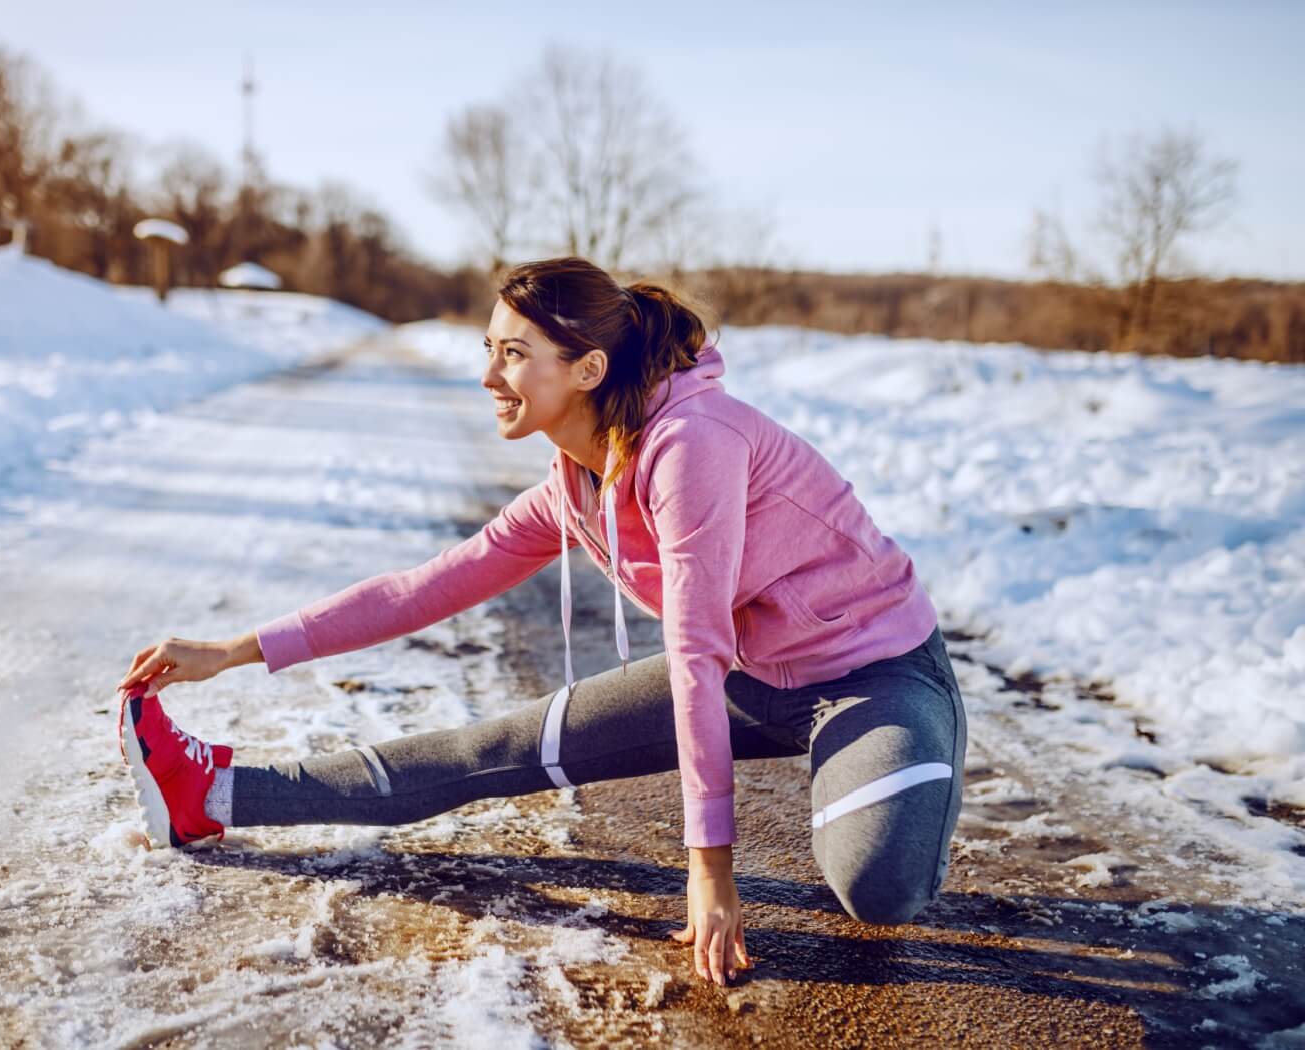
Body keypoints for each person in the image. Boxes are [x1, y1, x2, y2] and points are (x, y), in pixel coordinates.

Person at [116, 256, 967, 988]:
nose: (489, 376)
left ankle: (906, 766)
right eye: (489, 350)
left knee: (874, 884)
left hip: (873, 675)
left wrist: (709, 872)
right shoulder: (576, 479)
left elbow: (695, 650)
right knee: (502, 746)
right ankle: (214, 792)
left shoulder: (692, 444)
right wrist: (234, 650)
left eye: (514, 355)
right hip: (750, 677)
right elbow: (425, 587)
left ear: (588, 369)